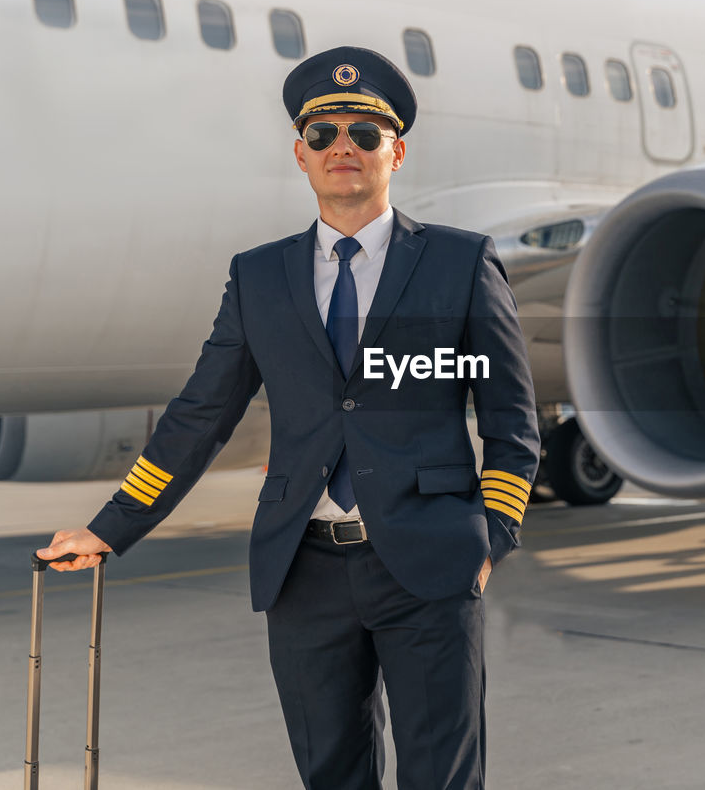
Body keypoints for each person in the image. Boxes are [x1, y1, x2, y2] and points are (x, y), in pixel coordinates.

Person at [36, 45, 540, 790]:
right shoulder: (259, 276)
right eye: (323, 134)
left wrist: (490, 538)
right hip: (302, 570)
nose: (344, 147)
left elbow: (513, 421)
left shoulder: (460, 263)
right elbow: (200, 413)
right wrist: (112, 525)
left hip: (431, 563)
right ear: (299, 154)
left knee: (441, 775)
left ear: (395, 152)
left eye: (365, 135)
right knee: (331, 773)